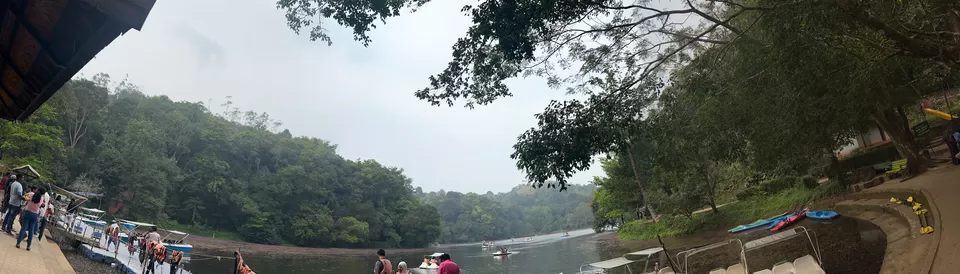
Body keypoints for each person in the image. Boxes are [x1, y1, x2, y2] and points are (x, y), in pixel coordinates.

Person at [15, 187, 45, 251]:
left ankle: (18, 243)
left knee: (23, 228)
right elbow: (41, 205)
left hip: (27, 212)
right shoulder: (42, 198)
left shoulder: (31, 194)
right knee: (31, 230)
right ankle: (28, 246)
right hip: (35, 215)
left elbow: (26, 197)